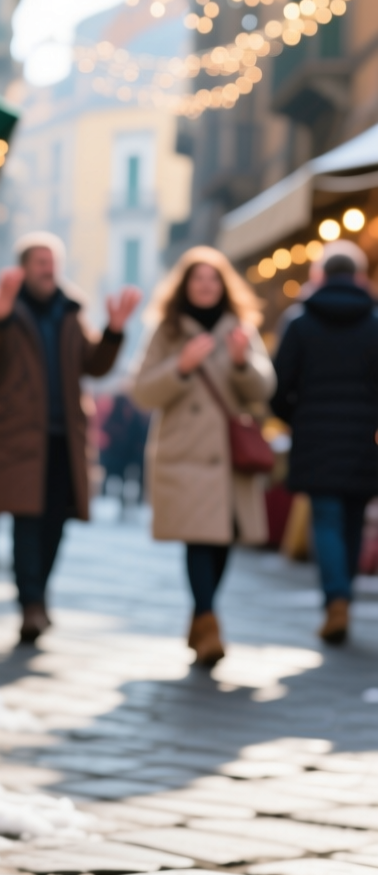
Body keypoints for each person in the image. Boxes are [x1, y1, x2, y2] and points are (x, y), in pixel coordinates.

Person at [0, 232, 141, 644]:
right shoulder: (6, 311)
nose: (48, 269)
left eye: (52, 262)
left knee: (55, 524)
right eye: (40, 262)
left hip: (65, 440)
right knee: (26, 523)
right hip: (20, 439)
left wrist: (114, 330)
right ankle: (30, 604)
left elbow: (95, 366)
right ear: (24, 268)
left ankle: (39, 595)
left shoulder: (71, 311)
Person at [130, 246, 275, 665]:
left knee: (223, 540)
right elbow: (142, 391)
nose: (206, 287)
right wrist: (181, 366)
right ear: (185, 286)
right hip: (185, 454)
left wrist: (241, 363)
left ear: (224, 286)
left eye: (213, 279)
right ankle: (210, 621)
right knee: (199, 540)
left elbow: (264, 389)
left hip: (229, 457)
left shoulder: (241, 329)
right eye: (198, 279)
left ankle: (201, 617)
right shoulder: (168, 331)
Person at [271, 240, 378, 645]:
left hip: (316, 440)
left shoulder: (299, 322)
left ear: (319, 275)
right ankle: (342, 599)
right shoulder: (374, 323)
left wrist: (297, 419)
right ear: (359, 277)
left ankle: (336, 600)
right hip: (364, 442)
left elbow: (278, 389)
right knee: (352, 522)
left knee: (328, 522)